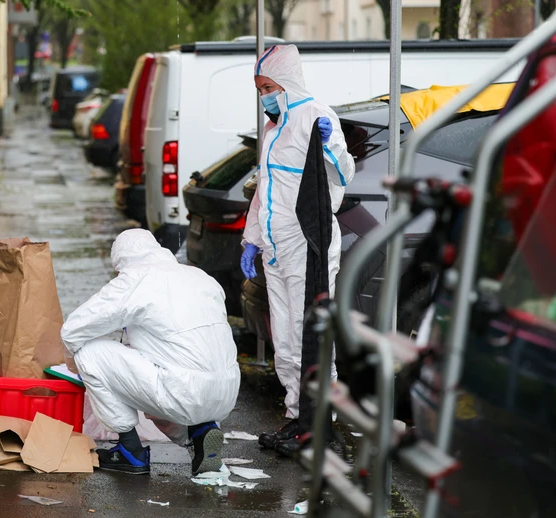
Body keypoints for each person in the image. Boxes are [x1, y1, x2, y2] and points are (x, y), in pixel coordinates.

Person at [240, 45, 355, 456]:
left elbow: (344, 174)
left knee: (311, 338)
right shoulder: (274, 129)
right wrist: (252, 239)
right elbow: (264, 191)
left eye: (268, 87)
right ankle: (296, 417)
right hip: (276, 248)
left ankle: (321, 424)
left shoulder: (317, 117)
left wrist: (329, 147)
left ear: (286, 84)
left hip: (309, 245)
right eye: (260, 89)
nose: (264, 96)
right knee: (284, 341)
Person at [61, 228, 241, 475]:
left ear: (122, 262)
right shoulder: (201, 277)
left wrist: (80, 368)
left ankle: (129, 451)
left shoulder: (136, 279)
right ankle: (200, 434)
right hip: (226, 393)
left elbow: (73, 329)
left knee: (89, 352)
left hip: (182, 392)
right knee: (173, 363)